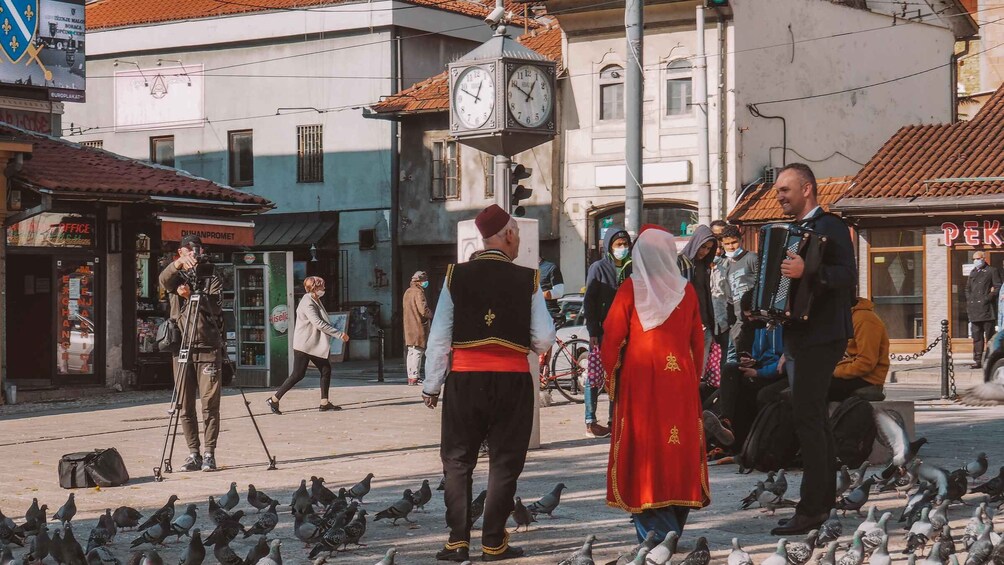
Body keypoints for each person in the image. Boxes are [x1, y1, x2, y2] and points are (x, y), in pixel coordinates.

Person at [422, 204, 555, 562]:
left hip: (465, 381)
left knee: (458, 460)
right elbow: (543, 338)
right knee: (505, 462)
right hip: (512, 381)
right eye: (517, 238)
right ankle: (493, 542)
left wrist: (432, 385)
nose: (517, 245)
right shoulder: (527, 278)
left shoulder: (455, 277)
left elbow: (439, 337)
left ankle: (457, 542)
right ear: (509, 235)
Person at [600, 226, 709, 543]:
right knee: (678, 447)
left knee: (644, 448)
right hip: (680, 383)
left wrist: (613, 379)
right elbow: (697, 342)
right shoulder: (685, 290)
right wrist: (694, 377)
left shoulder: (629, 290)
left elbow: (612, 339)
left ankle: (656, 534)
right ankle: (671, 526)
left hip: (641, 384)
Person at [771, 163, 856, 536]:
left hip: (823, 335)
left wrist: (809, 271)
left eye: (785, 190)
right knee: (812, 419)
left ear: (807, 189)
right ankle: (818, 502)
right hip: (799, 337)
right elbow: (780, 286)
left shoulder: (831, 227)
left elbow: (847, 278)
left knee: (808, 419)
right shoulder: (790, 233)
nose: (779, 197)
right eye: (777, 191)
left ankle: (812, 508)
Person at [158, 235, 225, 472]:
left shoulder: (212, 275)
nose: (193, 256)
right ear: (181, 252)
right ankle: (193, 453)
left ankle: (209, 453)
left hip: (207, 346)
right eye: (188, 252)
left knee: (209, 403)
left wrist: (193, 296)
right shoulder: (176, 275)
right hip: (182, 347)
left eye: (196, 251)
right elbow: (163, 279)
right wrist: (178, 265)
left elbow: (216, 306)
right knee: (184, 405)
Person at [266, 276, 349, 414]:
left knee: (325, 369)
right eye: (322, 286)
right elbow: (318, 323)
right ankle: (274, 399)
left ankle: (324, 402)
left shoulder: (315, 299)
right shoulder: (308, 302)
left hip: (310, 344)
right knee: (297, 375)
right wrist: (339, 334)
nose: (324, 289)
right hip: (305, 345)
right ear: (315, 288)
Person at [718, 291, 787, 451]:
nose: (751, 320)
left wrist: (758, 372)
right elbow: (743, 350)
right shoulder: (749, 328)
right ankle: (726, 422)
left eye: (753, 316)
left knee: (754, 391)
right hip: (758, 368)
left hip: (774, 373)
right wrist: (748, 360)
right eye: (747, 316)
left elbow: (781, 364)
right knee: (730, 371)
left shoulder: (779, 326)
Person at [582, 226, 632, 438]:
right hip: (603, 330)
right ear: (609, 246)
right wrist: (593, 329)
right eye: (618, 245)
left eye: (625, 244)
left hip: (627, 330)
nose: (623, 248)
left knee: (618, 375)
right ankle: (590, 420)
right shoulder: (599, 267)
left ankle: (614, 418)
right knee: (594, 375)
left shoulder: (633, 267)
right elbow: (590, 300)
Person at [829, 297, 891, 401]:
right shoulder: (845, 317)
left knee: (815, 389)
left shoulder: (864, 319)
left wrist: (834, 372)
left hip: (867, 379)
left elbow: (866, 362)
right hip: (851, 374)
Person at [680, 225, 720, 364]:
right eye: (703, 246)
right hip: (686, 324)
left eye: (709, 248)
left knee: (699, 370)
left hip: (705, 322)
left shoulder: (704, 265)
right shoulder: (681, 263)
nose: (704, 251)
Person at [720, 225, 758, 362]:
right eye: (727, 244)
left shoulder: (752, 258)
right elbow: (730, 300)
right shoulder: (727, 267)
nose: (731, 247)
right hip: (738, 325)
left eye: (734, 242)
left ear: (741, 240)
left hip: (755, 322)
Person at [967, 251, 1001, 369]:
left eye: (977, 258)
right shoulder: (973, 272)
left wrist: (987, 298)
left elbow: (997, 286)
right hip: (974, 310)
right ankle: (977, 360)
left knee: (990, 337)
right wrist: (970, 299)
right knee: (976, 337)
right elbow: (968, 288)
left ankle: (989, 360)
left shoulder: (992, 270)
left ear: (983, 258)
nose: (975, 261)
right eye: (974, 259)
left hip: (987, 310)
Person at [404, 271, 433, 386]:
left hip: (409, 325)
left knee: (411, 352)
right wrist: (431, 315)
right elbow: (423, 310)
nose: (426, 282)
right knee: (418, 351)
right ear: (420, 281)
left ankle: (411, 376)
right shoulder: (418, 292)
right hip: (418, 325)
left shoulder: (407, 292)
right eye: (424, 280)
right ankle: (415, 377)